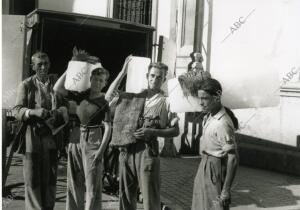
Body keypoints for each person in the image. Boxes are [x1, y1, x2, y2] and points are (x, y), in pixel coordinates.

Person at [106, 57, 180, 210]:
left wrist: (151, 131)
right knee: (125, 195)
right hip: (126, 150)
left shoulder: (166, 101)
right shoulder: (134, 96)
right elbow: (108, 97)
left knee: (150, 196)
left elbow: (175, 130)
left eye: (159, 77)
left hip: (147, 151)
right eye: (152, 76)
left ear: (164, 79)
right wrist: (123, 72)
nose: (155, 79)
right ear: (147, 76)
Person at [53, 51, 111, 210]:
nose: (98, 83)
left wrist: (101, 150)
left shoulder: (105, 101)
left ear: (105, 83)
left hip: (94, 139)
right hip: (75, 137)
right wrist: (71, 68)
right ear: (89, 79)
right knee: (73, 183)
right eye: (95, 79)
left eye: (101, 80)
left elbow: (108, 127)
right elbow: (57, 88)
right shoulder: (80, 96)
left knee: (93, 186)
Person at [13, 51, 68, 210]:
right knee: (32, 179)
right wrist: (32, 112)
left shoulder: (56, 84)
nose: (43, 67)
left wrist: (62, 110)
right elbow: (17, 110)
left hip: (52, 138)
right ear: (33, 66)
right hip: (32, 138)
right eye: (39, 64)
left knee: (50, 179)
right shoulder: (26, 85)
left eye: (46, 63)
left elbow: (66, 104)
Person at [191, 78, 239, 210]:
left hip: (215, 170)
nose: (201, 103)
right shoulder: (209, 116)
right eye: (199, 98)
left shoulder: (222, 123)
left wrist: (226, 190)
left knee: (214, 207)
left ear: (217, 97)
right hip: (204, 166)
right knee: (200, 205)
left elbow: (233, 159)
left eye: (205, 98)